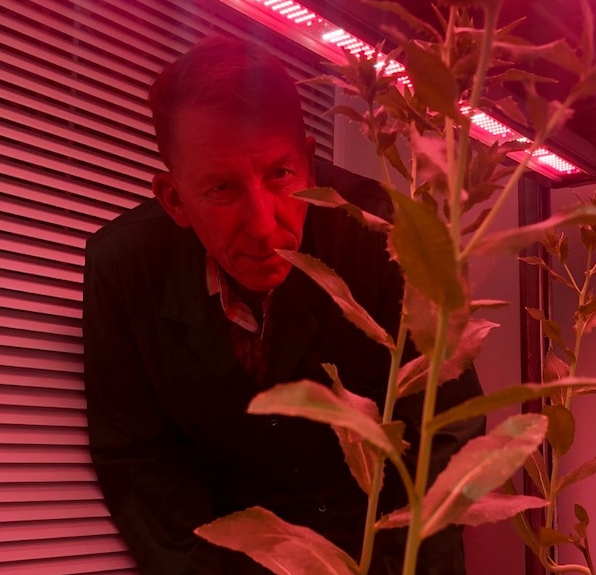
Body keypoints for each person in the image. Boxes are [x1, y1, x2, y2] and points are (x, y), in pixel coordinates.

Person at [82, 35, 484, 575]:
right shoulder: (123, 268)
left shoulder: (389, 234)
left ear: (312, 166)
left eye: (280, 175)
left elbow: (445, 432)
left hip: (379, 545)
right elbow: (139, 461)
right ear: (174, 199)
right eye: (222, 188)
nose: (265, 225)